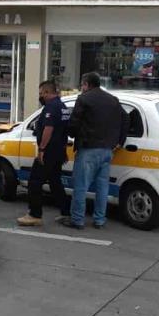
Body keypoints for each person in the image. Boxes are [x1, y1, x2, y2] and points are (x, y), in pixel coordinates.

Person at [59, 72, 129, 230]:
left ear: (87, 84)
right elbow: (126, 118)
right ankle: (99, 219)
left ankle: (77, 219)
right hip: (107, 150)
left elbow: (74, 122)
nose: (81, 88)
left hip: (88, 149)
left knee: (81, 186)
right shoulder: (113, 100)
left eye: (82, 85)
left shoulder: (83, 99)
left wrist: (71, 133)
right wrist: (120, 141)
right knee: (102, 187)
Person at [17, 81, 71, 226]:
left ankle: (35, 214)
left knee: (35, 181)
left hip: (48, 151)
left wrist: (41, 149)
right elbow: (64, 131)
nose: (40, 96)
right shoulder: (63, 107)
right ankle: (66, 212)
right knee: (55, 182)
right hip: (58, 151)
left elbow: (49, 129)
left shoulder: (51, 107)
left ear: (47, 93)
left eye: (42, 93)